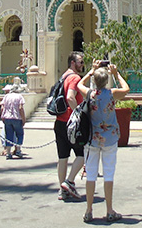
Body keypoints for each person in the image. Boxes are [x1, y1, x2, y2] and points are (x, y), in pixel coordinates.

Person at [77, 62, 130, 223]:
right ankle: (109, 210)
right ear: (106, 81)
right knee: (108, 174)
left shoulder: (90, 94)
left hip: (92, 140)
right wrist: (116, 73)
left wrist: (91, 71)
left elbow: (79, 83)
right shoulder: (111, 94)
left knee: (91, 175)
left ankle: (88, 210)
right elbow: (126, 89)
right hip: (110, 139)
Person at [54, 51, 85, 201]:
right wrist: (78, 114)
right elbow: (70, 97)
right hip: (70, 122)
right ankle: (69, 181)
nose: (82, 65)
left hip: (59, 122)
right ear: (73, 63)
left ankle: (62, 190)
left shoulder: (64, 76)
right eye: (80, 62)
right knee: (83, 154)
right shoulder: (74, 77)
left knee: (62, 158)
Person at [0, 83, 26, 159]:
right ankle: (18, 150)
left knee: (8, 135)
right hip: (17, 118)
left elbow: (2, 107)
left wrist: (2, 117)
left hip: (7, 118)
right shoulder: (20, 97)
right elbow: (20, 108)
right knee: (19, 134)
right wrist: (23, 119)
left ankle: (8, 152)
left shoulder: (6, 96)